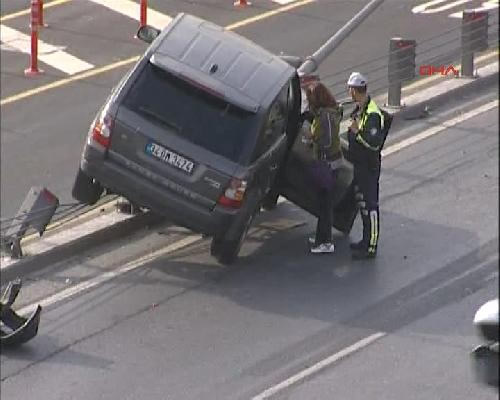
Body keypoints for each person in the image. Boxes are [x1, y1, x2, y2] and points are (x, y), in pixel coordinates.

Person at [346, 72, 384, 260]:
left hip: (369, 167)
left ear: (354, 91)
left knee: (371, 206)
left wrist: (356, 133)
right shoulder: (360, 109)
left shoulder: (372, 114)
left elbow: (373, 143)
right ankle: (365, 240)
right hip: (360, 165)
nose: (349, 92)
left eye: (350, 89)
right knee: (362, 205)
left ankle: (372, 246)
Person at [302, 82, 344, 254]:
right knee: (323, 204)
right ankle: (321, 237)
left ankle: (325, 242)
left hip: (327, 164)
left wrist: (311, 138)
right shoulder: (329, 113)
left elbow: (326, 141)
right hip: (332, 164)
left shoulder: (325, 117)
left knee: (325, 205)